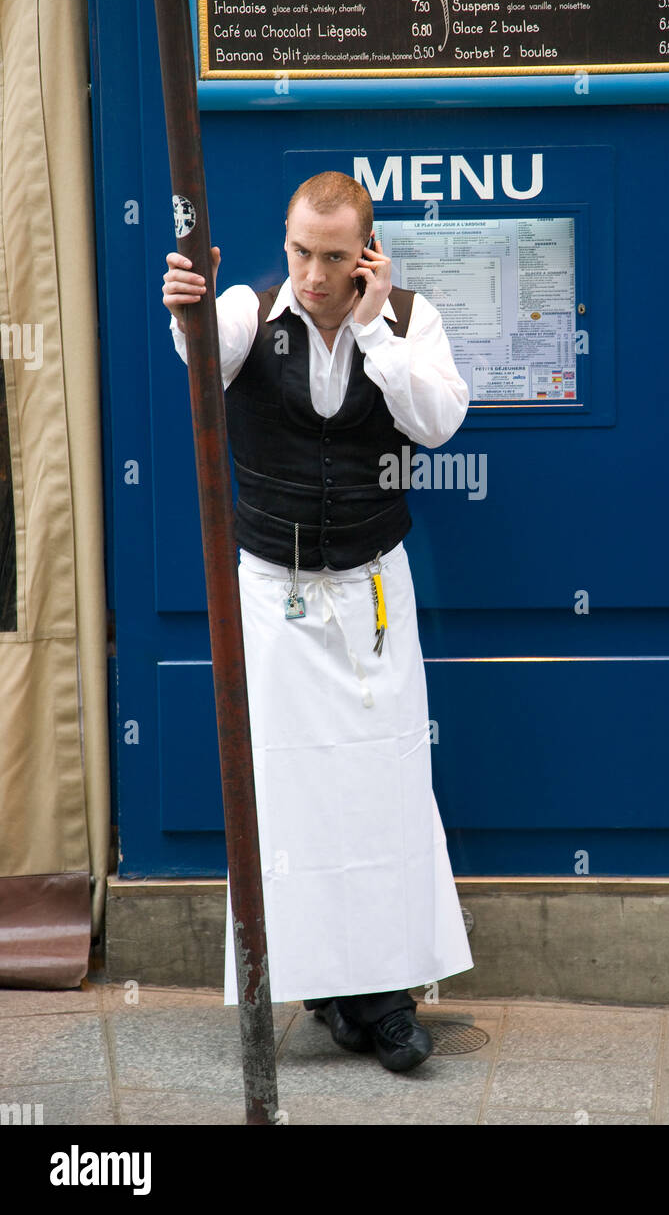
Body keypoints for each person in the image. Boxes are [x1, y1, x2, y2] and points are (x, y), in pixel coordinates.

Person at [162, 170, 474, 1073]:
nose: (310, 272)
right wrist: (187, 302)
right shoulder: (247, 313)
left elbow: (438, 421)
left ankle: (383, 997)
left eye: (334, 256)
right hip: (275, 589)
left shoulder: (408, 320)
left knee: (384, 786)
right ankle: (332, 990)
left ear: (366, 253)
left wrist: (375, 327)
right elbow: (200, 357)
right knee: (291, 792)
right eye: (300, 250)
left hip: (374, 585)